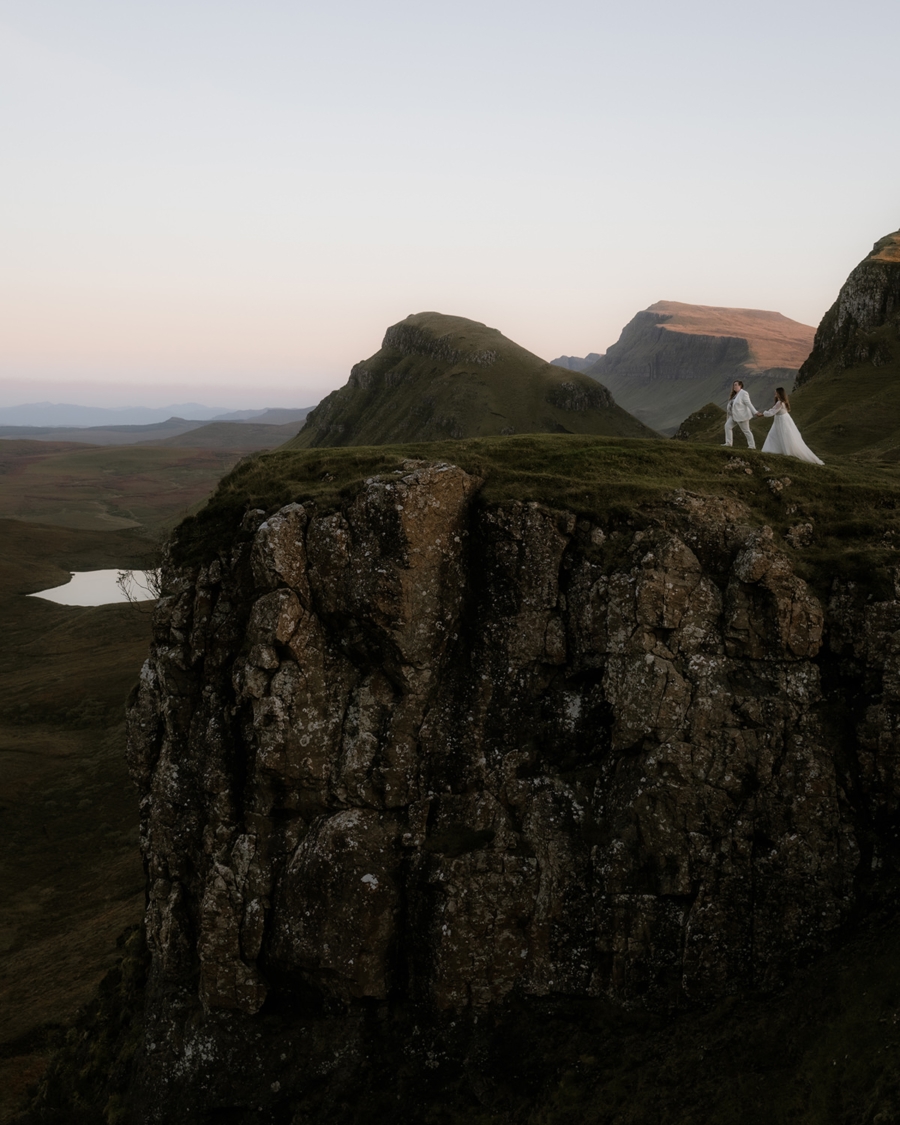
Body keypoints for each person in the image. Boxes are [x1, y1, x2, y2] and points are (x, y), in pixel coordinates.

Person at [755, 387, 823, 465]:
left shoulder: (779, 403)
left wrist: (763, 414)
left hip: (781, 421)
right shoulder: (784, 402)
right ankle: (773, 451)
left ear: (779, 393)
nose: (775, 394)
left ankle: (772, 450)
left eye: (776, 393)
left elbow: (772, 412)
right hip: (784, 420)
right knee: (778, 435)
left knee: (778, 436)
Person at [724, 380, 758, 448]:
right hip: (733, 416)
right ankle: (728, 443)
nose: (734, 386)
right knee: (727, 426)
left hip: (742, 416)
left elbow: (748, 403)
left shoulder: (744, 393)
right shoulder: (735, 395)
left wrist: (755, 412)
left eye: (736, 385)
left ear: (740, 386)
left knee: (746, 431)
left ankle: (752, 446)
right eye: (734, 385)